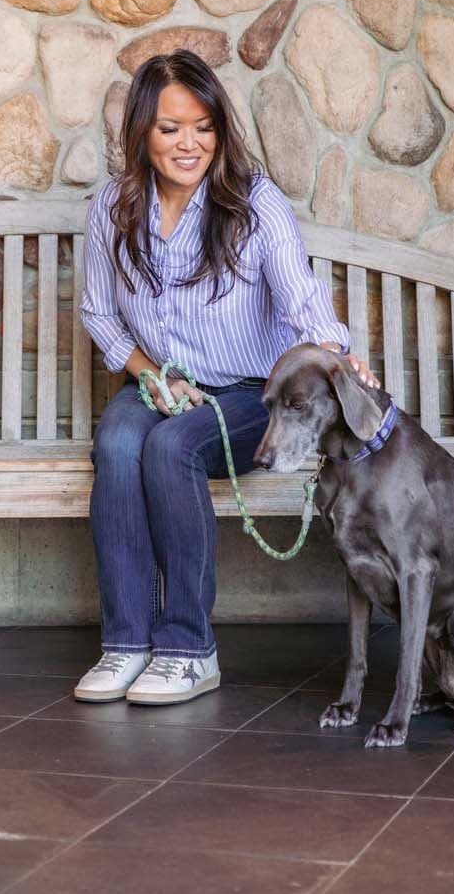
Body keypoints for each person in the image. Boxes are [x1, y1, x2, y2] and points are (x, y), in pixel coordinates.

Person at [75, 49, 378, 707]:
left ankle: (187, 650)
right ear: (140, 134)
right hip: (162, 382)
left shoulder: (252, 204)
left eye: (203, 126)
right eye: (169, 128)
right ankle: (126, 642)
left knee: (171, 446)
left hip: (250, 394)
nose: (189, 143)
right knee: (119, 442)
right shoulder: (113, 209)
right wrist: (152, 377)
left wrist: (333, 351)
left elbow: (301, 300)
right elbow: (99, 314)